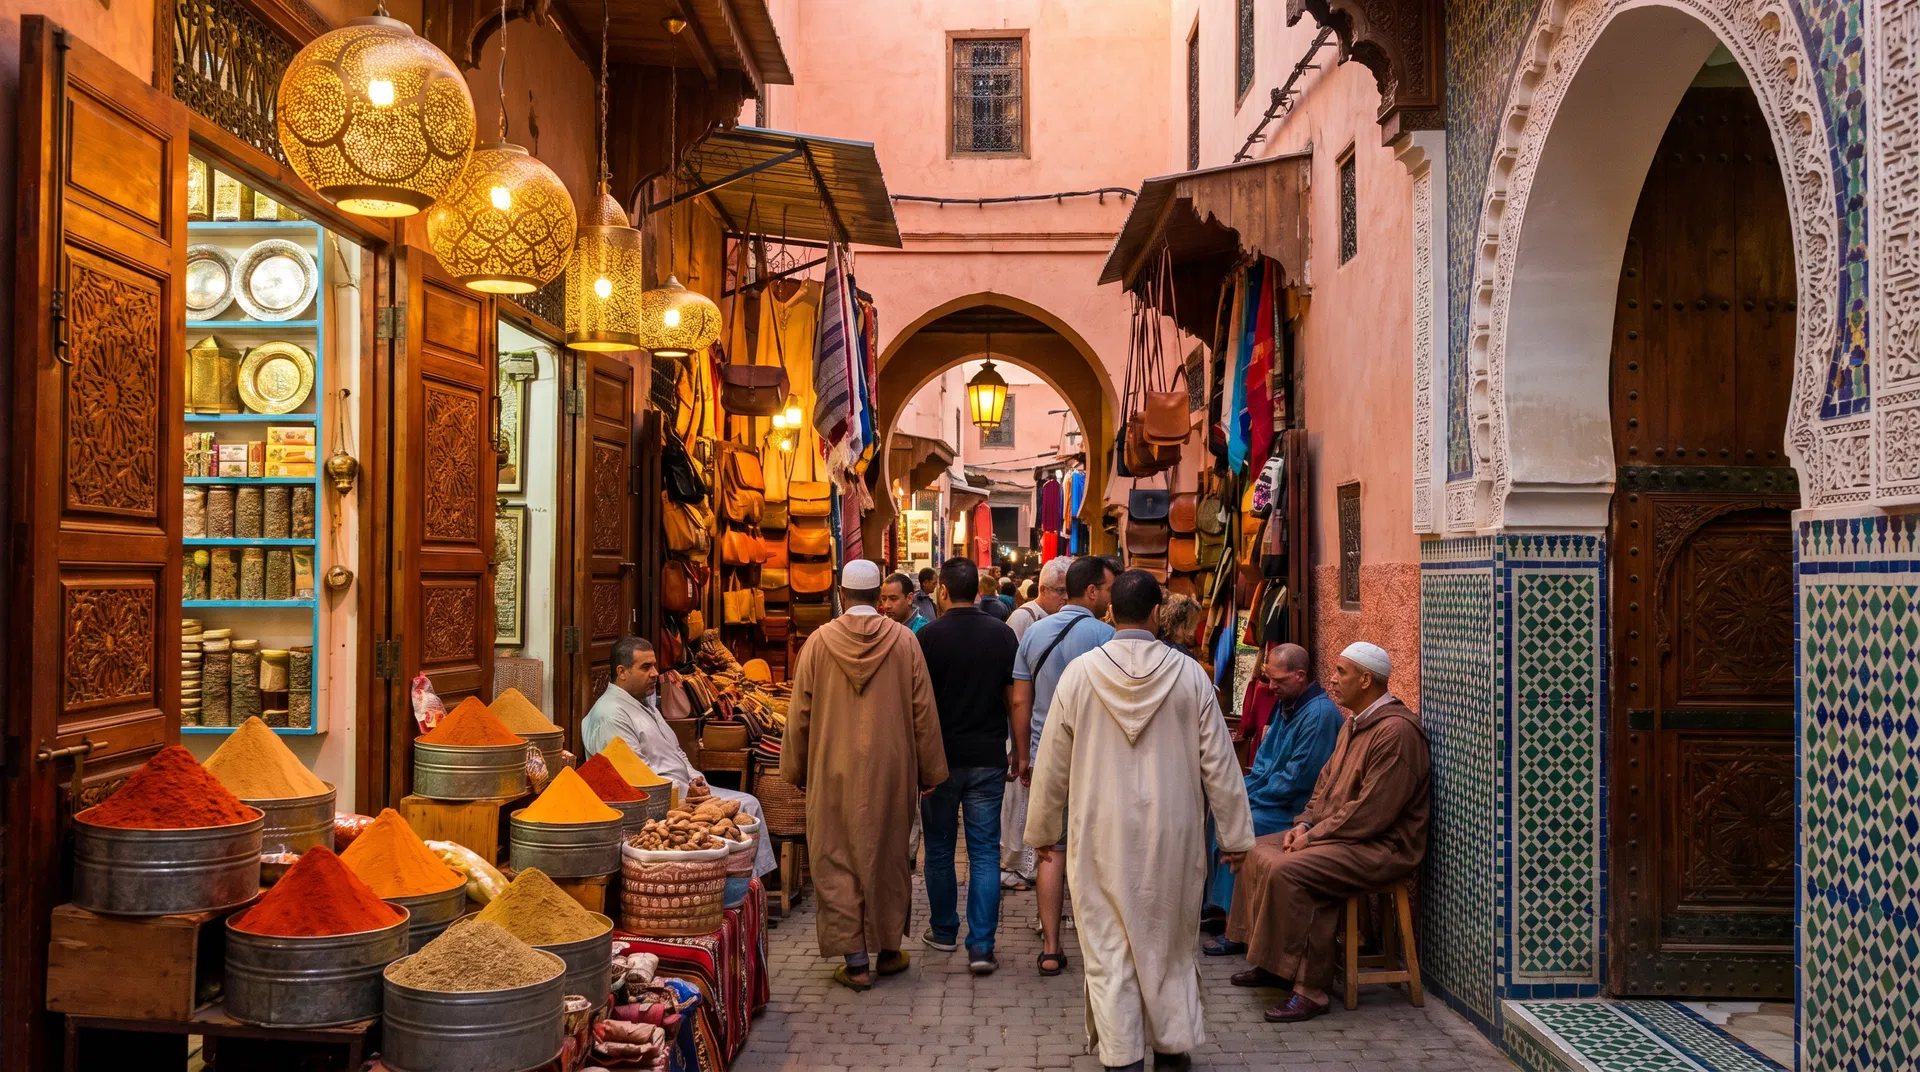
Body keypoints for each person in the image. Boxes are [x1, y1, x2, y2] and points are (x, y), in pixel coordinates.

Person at [1025, 570, 1254, 1071]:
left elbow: (1051, 765)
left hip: (1098, 834)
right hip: (1171, 835)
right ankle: (1171, 1047)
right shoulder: (1190, 674)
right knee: (1168, 944)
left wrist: (1042, 831)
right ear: (1156, 614)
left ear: (1110, 612)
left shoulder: (1080, 674)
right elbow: (1219, 761)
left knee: (1108, 950)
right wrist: (1236, 838)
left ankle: (1121, 1055)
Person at [1224, 642, 1431, 1022]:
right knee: (1254, 850)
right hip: (1345, 836)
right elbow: (1324, 786)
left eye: (1341, 672)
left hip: (1382, 846)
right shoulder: (1354, 722)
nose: (1332, 680)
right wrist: (1304, 822)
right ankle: (1272, 964)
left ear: (1366, 680)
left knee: (1293, 871)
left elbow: (1372, 814)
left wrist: (1312, 838)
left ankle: (1311, 989)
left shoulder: (1396, 732)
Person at [782, 559, 948, 991]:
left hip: (831, 767)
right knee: (890, 854)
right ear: (878, 596)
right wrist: (931, 769)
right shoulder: (904, 642)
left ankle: (856, 962)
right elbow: (923, 711)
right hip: (891, 770)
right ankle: (889, 951)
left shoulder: (817, 643)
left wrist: (795, 768)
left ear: (840, 593)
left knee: (835, 858)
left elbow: (799, 714)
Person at [582, 636, 775, 876]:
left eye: (654, 665)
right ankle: (739, 886)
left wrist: (696, 778)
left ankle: (747, 887)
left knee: (748, 804)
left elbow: (677, 751)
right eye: (645, 667)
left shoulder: (645, 705)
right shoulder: (610, 714)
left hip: (685, 792)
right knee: (746, 807)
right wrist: (685, 799)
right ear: (622, 672)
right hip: (662, 804)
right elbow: (636, 779)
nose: (655, 673)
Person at [1012, 554, 1117, 976]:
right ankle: (1100, 945)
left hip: (1045, 756)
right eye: (1107, 589)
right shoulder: (1108, 636)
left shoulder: (1034, 633)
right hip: (1097, 760)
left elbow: (1021, 699)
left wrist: (1022, 754)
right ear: (1091, 591)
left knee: (1049, 852)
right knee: (1097, 850)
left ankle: (1051, 947)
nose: (1110, 598)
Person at [916, 556, 1020, 974]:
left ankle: (943, 932)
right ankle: (981, 947)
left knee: (939, 849)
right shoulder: (1002, 635)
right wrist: (1019, 752)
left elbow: (918, 706)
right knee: (982, 852)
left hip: (939, 761)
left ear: (941, 590)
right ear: (977, 590)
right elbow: (1013, 697)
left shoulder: (928, 638)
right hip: (988, 757)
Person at [1202, 644, 1342, 950]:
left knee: (1242, 824)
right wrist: (1241, 792)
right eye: (1269, 678)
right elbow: (1264, 760)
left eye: (1277, 680)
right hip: (1272, 797)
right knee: (1220, 813)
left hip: (1294, 809)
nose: (1270, 686)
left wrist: (1248, 797)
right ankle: (1221, 907)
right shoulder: (1287, 705)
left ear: (1300, 676)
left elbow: (1297, 779)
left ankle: (1236, 929)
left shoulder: (1319, 716)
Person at [1000, 555, 1073, 890]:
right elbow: (1013, 682)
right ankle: (1016, 863)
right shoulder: (1023, 619)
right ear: (1042, 588)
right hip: (1025, 723)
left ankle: (1035, 863)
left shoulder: (1062, 621)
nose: (1064, 597)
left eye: (1067, 591)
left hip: (1046, 723)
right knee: (1019, 798)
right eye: (1059, 590)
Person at [1009, 555, 1072, 639]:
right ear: (1043, 590)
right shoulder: (1022, 618)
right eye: (1060, 590)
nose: (1067, 597)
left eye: (1070, 591)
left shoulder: (1067, 616)